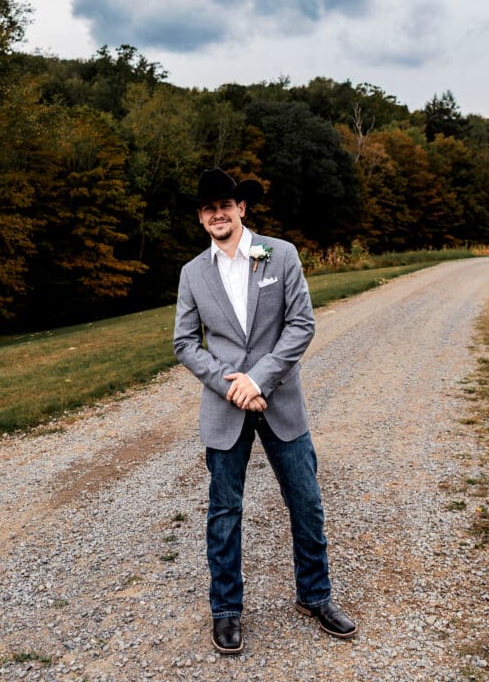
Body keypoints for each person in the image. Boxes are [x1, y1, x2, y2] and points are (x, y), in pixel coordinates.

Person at [173, 168, 357, 654]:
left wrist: (259, 379)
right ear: (201, 217)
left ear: (241, 208)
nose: (217, 213)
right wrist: (231, 385)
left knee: (306, 501)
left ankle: (316, 597)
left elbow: (301, 324)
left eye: (225, 205)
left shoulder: (280, 254)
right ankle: (226, 611)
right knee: (224, 512)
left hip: (281, 399)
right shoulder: (192, 273)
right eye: (208, 207)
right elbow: (185, 343)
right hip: (225, 406)